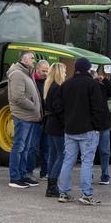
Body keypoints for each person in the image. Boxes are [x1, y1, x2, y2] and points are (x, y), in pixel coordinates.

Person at [57, 57, 108, 205]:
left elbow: (59, 107)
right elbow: (98, 108)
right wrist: (97, 127)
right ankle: (86, 194)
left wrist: (65, 122)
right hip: (88, 130)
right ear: (88, 68)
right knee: (87, 162)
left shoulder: (66, 85)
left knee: (68, 161)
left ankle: (64, 193)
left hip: (70, 129)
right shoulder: (93, 85)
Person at [7, 51, 42, 188]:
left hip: (30, 117)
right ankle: (14, 178)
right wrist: (34, 106)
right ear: (24, 58)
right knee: (19, 147)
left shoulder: (26, 73)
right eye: (32, 58)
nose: (34, 60)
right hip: (22, 116)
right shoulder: (17, 74)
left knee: (26, 148)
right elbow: (18, 97)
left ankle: (23, 175)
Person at [42, 62, 67, 197]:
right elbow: (59, 109)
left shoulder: (49, 86)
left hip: (50, 124)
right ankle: (52, 184)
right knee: (61, 155)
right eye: (64, 71)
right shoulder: (58, 87)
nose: (65, 74)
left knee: (53, 155)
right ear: (59, 72)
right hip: (57, 125)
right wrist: (66, 122)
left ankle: (50, 185)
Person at [95, 68, 111, 186]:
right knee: (90, 152)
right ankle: (90, 174)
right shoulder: (89, 87)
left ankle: (105, 175)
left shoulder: (102, 86)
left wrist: (104, 80)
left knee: (105, 151)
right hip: (93, 125)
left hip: (103, 123)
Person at [31, 59, 51, 180]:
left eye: (47, 71)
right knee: (32, 148)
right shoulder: (31, 82)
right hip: (34, 120)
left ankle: (45, 172)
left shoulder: (48, 83)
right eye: (43, 71)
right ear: (37, 69)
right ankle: (29, 171)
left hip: (47, 120)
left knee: (46, 148)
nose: (45, 73)